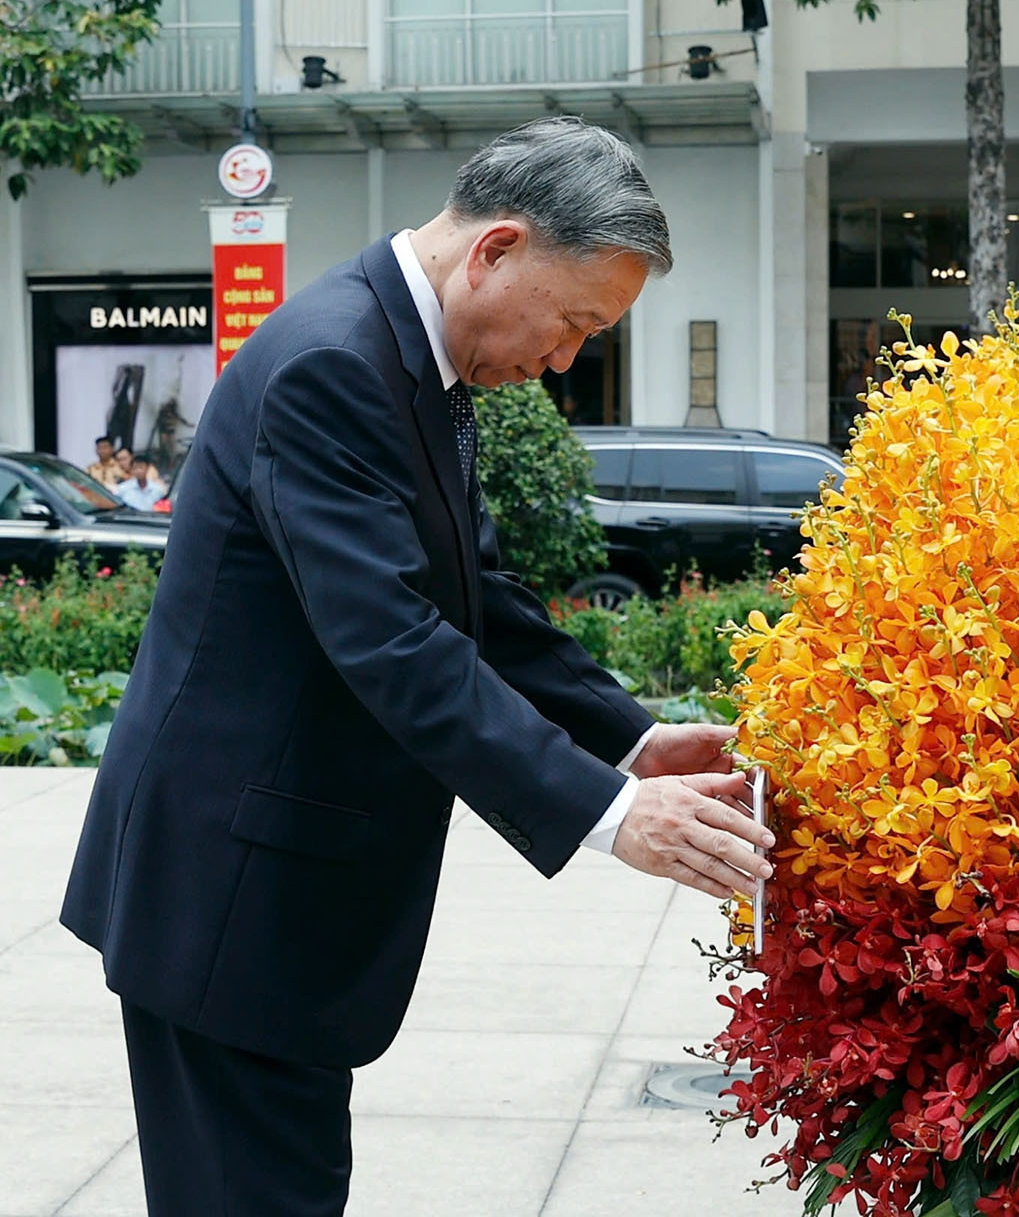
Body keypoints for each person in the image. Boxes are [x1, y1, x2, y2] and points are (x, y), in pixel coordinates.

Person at [60, 116, 776, 1217]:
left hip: (269, 888)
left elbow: (474, 597)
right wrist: (608, 813)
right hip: (229, 897)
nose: (564, 362)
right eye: (574, 323)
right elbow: (393, 640)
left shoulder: (409, 355)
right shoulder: (333, 365)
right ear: (497, 248)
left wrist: (632, 741)